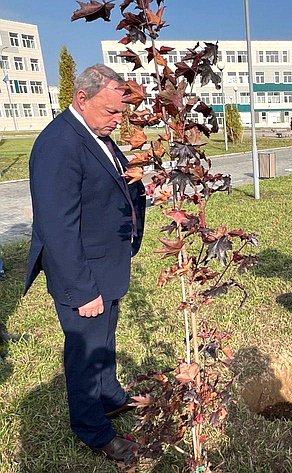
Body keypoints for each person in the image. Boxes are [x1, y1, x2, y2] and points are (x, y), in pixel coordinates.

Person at [23, 64, 146, 465]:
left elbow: (112, 184)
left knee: (104, 341)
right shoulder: (59, 144)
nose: (117, 120)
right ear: (81, 98)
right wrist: (82, 289)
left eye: (121, 113)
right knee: (85, 353)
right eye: (111, 111)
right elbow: (56, 226)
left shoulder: (98, 134)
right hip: (83, 276)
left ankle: (110, 397)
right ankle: (94, 430)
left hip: (105, 265)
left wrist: (141, 180)